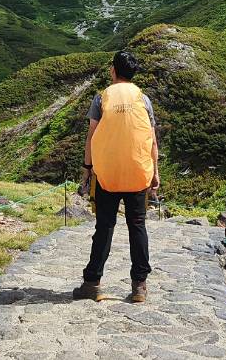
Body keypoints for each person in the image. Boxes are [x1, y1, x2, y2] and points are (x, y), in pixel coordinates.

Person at [73, 49, 160, 303]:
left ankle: (92, 282)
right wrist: (155, 173)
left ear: (113, 70)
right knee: (137, 226)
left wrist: (86, 169)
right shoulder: (144, 100)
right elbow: (152, 140)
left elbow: (91, 137)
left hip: (107, 174)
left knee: (104, 227)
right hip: (137, 173)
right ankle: (139, 287)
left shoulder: (101, 99)